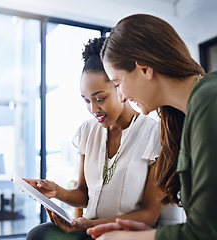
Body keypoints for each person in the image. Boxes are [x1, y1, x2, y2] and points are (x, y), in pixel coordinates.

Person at [86, 14, 217, 240]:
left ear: (145, 69)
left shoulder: (209, 100)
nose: (122, 97)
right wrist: (151, 234)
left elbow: (205, 232)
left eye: (117, 83)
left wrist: (136, 238)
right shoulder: (187, 116)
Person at [26, 37, 163, 240]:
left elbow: (149, 215)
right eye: (86, 101)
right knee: (39, 234)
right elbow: (84, 194)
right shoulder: (88, 131)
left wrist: (93, 225)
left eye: (100, 99)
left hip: (124, 235)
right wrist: (57, 191)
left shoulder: (154, 133)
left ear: (120, 86)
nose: (93, 109)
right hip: (88, 230)